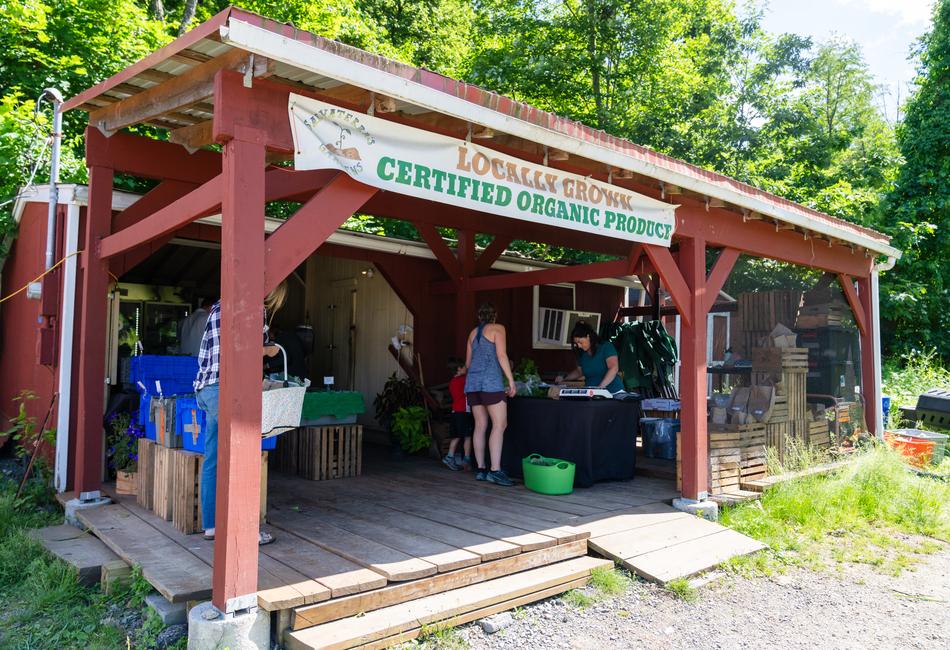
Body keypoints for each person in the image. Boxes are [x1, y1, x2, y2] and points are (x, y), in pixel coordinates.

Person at [193, 281, 288, 544]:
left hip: (207, 388)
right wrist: (268, 350)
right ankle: (245, 530)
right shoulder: (252, 308)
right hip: (227, 388)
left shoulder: (222, 305)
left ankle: (212, 525)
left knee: (213, 458)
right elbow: (243, 353)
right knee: (242, 457)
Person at [464, 303, 517, 486]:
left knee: (480, 425)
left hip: (472, 383)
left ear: (479, 317)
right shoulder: (498, 328)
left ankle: (480, 469)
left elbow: (468, 364)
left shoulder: (472, 333)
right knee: (500, 424)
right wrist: (510, 380)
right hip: (490, 382)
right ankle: (495, 470)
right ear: (494, 316)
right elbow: (501, 355)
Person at [555, 321, 623, 392]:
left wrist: (600, 388)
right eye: (576, 343)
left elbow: (613, 368)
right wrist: (564, 378)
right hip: (592, 393)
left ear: (588, 336)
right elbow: (579, 372)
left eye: (580, 342)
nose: (578, 346)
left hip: (613, 392)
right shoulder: (582, 353)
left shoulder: (606, 347)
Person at [443, 357, 473, 471]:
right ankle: (467, 459)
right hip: (464, 411)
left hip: (455, 411)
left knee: (455, 436)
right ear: (459, 369)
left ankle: (450, 456)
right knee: (467, 436)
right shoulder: (464, 379)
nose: (467, 368)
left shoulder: (452, 382)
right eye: (465, 367)